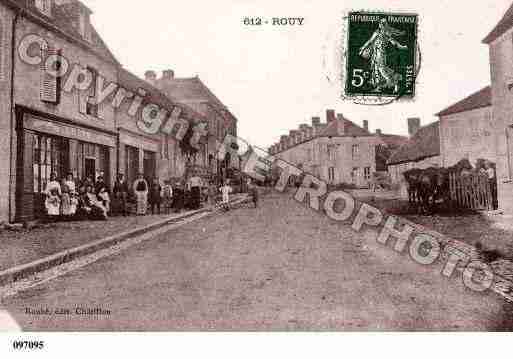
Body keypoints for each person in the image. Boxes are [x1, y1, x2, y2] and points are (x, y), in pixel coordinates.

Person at [358, 18, 408, 94]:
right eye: (381, 24)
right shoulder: (377, 32)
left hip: (381, 54)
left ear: (385, 25)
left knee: (382, 70)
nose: (381, 25)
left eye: (383, 24)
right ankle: (379, 87)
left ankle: (395, 84)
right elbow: (370, 41)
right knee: (376, 70)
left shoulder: (387, 34)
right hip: (375, 53)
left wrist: (402, 47)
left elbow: (394, 43)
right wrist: (363, 48)